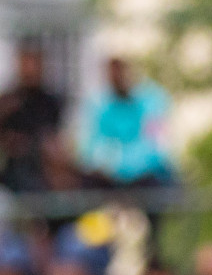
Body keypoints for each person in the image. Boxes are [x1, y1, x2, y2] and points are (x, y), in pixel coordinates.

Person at [74, 57, 175, 187]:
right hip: (105, 176)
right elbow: (89, 145)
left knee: (165, 181)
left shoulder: (152, 99)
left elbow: (157, 144)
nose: (117, 77)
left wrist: (126, 167)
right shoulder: (98, 102)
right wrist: (109, 164)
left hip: (145, 174)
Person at [0, 42, 66, 193]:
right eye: (26, 62)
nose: (30, 69)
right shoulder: (7, 99)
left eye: (35, 63)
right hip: (9, 166)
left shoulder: (51, 102)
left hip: (41, 166)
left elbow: (52, 138)